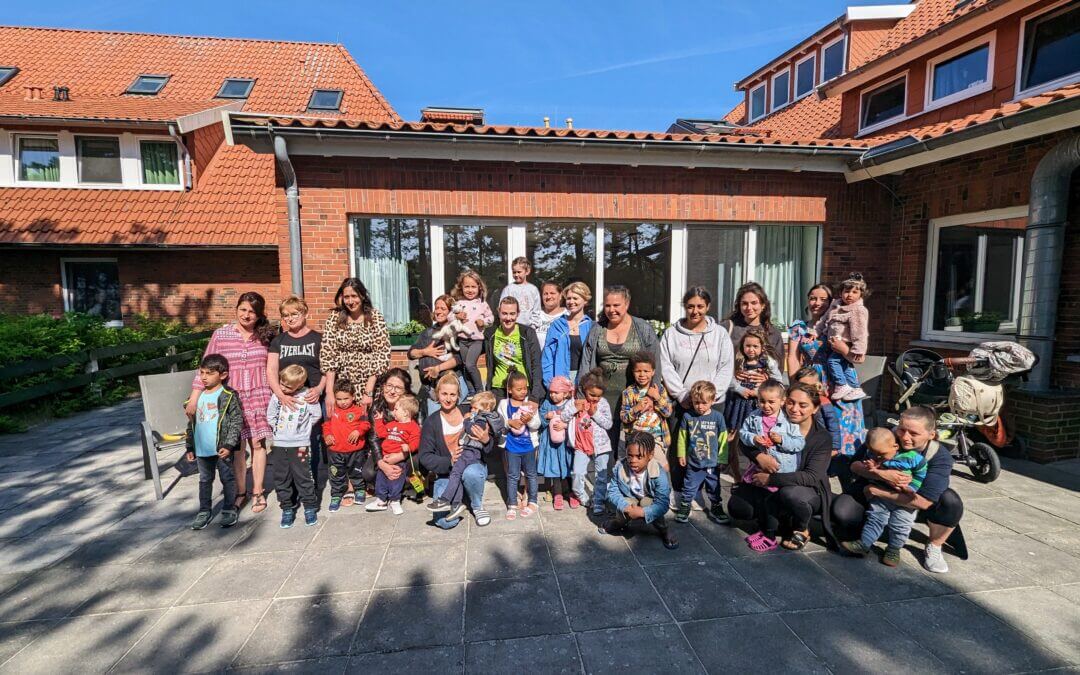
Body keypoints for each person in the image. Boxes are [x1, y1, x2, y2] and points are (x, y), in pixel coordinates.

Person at [831, 406, 965, 574]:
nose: (905, 437)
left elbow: (924, 502)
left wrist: (877, 491)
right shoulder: (885, 436)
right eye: (902, 430)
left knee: (950, 502)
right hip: (877, 493)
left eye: (914, 433)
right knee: (843, 512)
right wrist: (882, 474)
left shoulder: (940, 456)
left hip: (910, 499)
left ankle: (934, 545)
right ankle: (869, 536)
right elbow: (854, 465)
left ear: (931, 435)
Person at [187, 292, 275, 514]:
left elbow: (274, 368)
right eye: (243, 309)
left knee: (258, 445)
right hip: (230, 400)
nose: (246, 315)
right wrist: (195, 397)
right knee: (237, 448)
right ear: (236, 309)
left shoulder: (266, 336)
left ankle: (258, 491)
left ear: (259, 315)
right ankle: (241, 492)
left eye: (252, 312)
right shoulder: (222, 335)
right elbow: (205, 367)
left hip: (259, 396)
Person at [727, 382, 836, 553]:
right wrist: (759, 457)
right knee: (739, 507)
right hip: (771, 476)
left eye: (803, 405)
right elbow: (744, 441)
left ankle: (800, 527)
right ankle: (774, 522)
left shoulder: (821, 437)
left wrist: (771, 479)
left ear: (815, 408)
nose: (794, 409)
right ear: (785, 401)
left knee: (788, 494)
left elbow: (811, 477)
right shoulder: (775, 417)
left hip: (804, 489)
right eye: (791, 402)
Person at [787, 283, 866, 460]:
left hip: (841, 381)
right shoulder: (799, 327)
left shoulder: (842, 324)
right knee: (816, 423)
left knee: (845, 425)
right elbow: (792, 357)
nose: (817, 303)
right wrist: (795, 387)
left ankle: (847, 466)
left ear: (831, 302)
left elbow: (859, 358)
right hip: (811, 381)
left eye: (823, 299)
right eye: (813, 298)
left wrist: (843, 349)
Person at [578, 285, 661, 449]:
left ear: (627, 304)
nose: (611, 310)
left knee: (634, 449)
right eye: (607, 305)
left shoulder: (643, 329)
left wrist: (652, 396)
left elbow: (655, 364)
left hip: (635, 400)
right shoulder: (597, 329)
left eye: (616, 305)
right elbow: (585, 364)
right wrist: (582, 395)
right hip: (603, 400)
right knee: (604, 450)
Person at [267, 296, 327, 506]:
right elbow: (271, 370)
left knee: (311, 445)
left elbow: (328, 369)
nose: (290, 318)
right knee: (287, 450)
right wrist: (280, 395)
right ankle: (290, 493)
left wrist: (319, 389)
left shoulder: (318, 339)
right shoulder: (279, 341)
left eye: (294, 314)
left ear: (305, 313)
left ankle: (311, 490)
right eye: (285, 315)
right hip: (286, 401)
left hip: (310, 400)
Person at [840, 428, 928, 566]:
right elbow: (862, 466)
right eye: (873, 453)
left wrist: (912, 488)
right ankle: (864, 543)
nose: (877, 457)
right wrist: (872, 468)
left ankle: (894, 549)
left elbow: (920, 472)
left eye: (881, 454)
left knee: (901, 524)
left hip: (904, 499)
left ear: (895, 446)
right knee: (875, 518)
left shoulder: (912, 458)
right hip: (881, 494)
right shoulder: (874, 454)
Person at [418, 373, 495, 528]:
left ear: (458, 395)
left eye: (452, 394)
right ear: (437, 394)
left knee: (471, 473)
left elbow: (491, 442)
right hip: (447, 474)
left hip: (471, 465)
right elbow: (425, 456)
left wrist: (486, 439)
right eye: (444, 394)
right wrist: (449, 461)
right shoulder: (431, 422)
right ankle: (459, 497)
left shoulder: (470, 411)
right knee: (445, 522)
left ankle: (476, 505)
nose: (448, 399)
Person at [425, 391, 503, 520]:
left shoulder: (481, 419)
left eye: (475, 408)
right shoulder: (433, 420)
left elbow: (473, 431)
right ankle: (456, 504)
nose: (472, 410)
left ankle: (452, 501)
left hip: (470, 452)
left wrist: (467, 420)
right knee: (456, 474)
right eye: (471, 407)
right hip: (462, 455)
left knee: (457, 472)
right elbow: (425, 456)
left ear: (486, 408)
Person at [185, 354, 241, 530]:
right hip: (202, 449)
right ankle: (204, 511)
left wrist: (229, 445)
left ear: (223, 375)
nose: (204, 377)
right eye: (202, 372)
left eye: (209, 373)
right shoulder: (196, 397)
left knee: (227, 478)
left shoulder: (228, 395)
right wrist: (190, 446)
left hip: (222, 449)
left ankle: (229, 509)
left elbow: (236, 421)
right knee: (204, 480)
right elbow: (191, 423)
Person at [660, 286, 735, 415]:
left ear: (708, 306)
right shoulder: (671, 334)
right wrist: (681, 395)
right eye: (690, 306)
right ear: (685, 306)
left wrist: (710, 396)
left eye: (700, 306)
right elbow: (666, 367)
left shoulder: (720, 334)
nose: (695, 311)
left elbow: (726, 367)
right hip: (682, 404)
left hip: (713, 404)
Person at [321, 277, 391, 406]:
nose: (350, 301)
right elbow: (328, 355)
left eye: (354, 296)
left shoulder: (375, 318)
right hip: (343, 386)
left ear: (362, 296)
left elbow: (381, 355)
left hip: (370, 384)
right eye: (346, 297)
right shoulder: (335, 318)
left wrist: (368, 392)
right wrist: (329, 392)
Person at [602, 432, 678, 550]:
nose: (633, 460)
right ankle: (619, 522)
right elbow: (612, 491)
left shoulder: (658, 472)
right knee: (622, 504)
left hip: (649, 499)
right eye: (629, 455)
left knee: (648, 504)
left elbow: (663, 503)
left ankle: (664, 529)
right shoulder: (620, 467)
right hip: (630, 498)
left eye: (639, 456)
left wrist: (643, 512)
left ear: (650, 455)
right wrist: (626, 507)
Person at [267, 364, 322, 528]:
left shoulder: (307, 396)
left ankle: (310, 507)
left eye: (288, 386)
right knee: (281, 477)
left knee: (303, 475)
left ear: (299, 385)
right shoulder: (277, 396)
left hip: (300, 445)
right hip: (279, 445)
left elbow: (316, 415)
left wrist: (302, 430)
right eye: (281, 384)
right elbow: (270, 415)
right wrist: (279, 430)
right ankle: (287, 508)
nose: (283, 388)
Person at [675, 381, 729, 525]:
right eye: (696, 402)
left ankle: (716, 507)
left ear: (713, 400)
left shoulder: (718, 417)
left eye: (704, 403)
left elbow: (723, 439)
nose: (700, 406)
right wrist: (681, 454)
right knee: (689, 486)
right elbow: (682, 437)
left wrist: (722, 458)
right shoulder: (688, 416)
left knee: (714, 487)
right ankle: (685, 506)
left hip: (712, 463)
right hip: (694, 462)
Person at [737, 379, 805, 492]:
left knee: (776, 495)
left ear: (782, 401)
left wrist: (782, 440)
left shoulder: (789, 421)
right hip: (759, 466)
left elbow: (799, 443)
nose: (766, 406)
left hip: (781, 469)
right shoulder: (753, 417)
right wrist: (753, 438)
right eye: (762, 401)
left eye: (771, 402)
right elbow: (743, 434)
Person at [409, 294, 467, 416]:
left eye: (443, 308)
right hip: (431, 388)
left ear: (451, 312)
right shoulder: (428, 332)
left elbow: (459, 358)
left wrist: (438, 368)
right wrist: (425, 352)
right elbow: (411, 353)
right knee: (433, 423)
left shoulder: (457, 331)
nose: (438, 312)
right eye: (437, 308)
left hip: (450, 388)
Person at [816, 273, 870, 401]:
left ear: (861, 295)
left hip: (846, 343)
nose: (850, 295)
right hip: (834, 343)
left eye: (854, 292)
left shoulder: (858, 310)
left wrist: (858, 349)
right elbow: (824, 320)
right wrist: (816, 331)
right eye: (846, 291)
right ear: (841, 293)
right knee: (844, 367)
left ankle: (841, 384)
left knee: (833, 362)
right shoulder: (835, 305)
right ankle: (855, 388)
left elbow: (860, 332)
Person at [723, 327, 783, 438]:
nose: (751, 349)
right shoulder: (738, 361)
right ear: (742, 346)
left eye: (755, 346)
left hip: (757, 402)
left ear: (762, 347)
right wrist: (739, 388)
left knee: (755, 428)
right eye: (748, 346)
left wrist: (760, 391)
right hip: (738, 400)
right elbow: (727, 378)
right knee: (735, 429)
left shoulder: (768, 362)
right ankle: (734, 447)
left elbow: (778, 381)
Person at [365, 367, 414, 504]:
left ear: (406, 391)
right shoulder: (376, 408)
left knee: (416, 463)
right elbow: (374, 439)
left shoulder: (413, 406)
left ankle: (409, 487)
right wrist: (382, 463)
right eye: (389, 386)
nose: (392, 391)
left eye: (398, 388)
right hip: (385, 451)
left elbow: (419, 437)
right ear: (383, 386)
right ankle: (391, 485)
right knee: (368, 473)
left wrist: (400, 456)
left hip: (407, 451)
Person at [366, 394, 421, 515]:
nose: (393, 412)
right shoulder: (392, 424)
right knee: (381, 479)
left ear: (406, 413)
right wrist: (379, 420)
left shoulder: (413, 427)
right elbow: (381, 433)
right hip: (385, 457)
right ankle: (381, 500)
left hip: (399, 460)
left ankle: (395, 500)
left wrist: (409, 447)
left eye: (396, 409)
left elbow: (416, 441)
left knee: (396, 479)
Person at [322, 378, 371, 511]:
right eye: (339, 399)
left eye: (346, 398)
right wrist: (327, 435)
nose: (343, 402)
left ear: (353, 397)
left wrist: (358, 431)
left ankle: (359, 489)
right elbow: (326, 425)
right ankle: (336, 494)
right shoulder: (331, 410)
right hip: (335, 450)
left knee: (356, 471)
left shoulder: (359, 410)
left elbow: (366, 424)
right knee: (336, 474)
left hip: (355, 450)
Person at [570, 368, 614, 516]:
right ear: (585, 389)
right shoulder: (578, 403)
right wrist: (573, 409)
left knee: (601, 475)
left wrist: (595, 414)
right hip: (582, 445)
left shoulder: (604, 404)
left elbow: (608, 424)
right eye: (592, 395)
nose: (595, 398)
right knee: (577, 472)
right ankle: (583, 497)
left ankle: (599, 501)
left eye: (598, 396)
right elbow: (565, 416)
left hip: (601, 446)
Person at [483, 296, 544, 402]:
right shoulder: (490, 333)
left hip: (522, 389)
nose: (508, 318)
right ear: (499, 312)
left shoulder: (527, 333)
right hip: (498, 390)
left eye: (512, 314)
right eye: (504, 313)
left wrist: (535, 397)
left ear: (518, 313)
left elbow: (536, 365)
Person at [498, 371, 541, 519]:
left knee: (531, 474)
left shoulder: (530, 404)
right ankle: (512, 504)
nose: (523, 391)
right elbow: (498, 423)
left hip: (529, 447)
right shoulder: (504, 404)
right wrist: (509, 422)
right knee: (512, 476)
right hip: (511, 447)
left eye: (525, 388)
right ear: (509, 390)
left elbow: (537, 424)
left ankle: (533, 501)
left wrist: (530, 420)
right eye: (519, 389)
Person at [620, 351, 674, 469]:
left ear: (653, 372)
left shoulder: (659, 390)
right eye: (638, 371)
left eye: (646, 371)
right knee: (638, 469)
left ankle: (661, 482)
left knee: (663, 468)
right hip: (636, 439)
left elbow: (668, 412)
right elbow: (624, 417)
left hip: (656, 439)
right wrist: (636, 408)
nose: (642, 375)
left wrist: (657, 398)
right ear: (633, 372)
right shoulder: (628, 392)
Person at [449, 270, 495, 397]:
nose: (470, 290)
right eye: (467, 287)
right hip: (462, 340)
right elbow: (449, 317)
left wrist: (483, 322)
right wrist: (457, 316)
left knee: (470, 364)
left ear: (479, 287)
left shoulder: (482, 304)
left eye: (473, 287)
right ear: (461, 287)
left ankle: (479, 389)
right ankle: (471, 390)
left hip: (476, 340)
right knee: (465, 365)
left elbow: (491, 318)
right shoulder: (459, 303)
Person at [542, 281, 593, 387]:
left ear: (585, 300)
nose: (571, 302)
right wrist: (550, 383)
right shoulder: (557, 325)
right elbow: (547, 357)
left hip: (585, 381)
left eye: (575, 298)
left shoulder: (591, 326)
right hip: (560, 380)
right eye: (568, 298)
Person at [723, 282, 785, 367]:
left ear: (763, 305)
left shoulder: (772, 333)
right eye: (744, 303)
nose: (749, 308)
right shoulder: (728, 328)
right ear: (739, 306)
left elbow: (779, 365)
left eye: (754, 303)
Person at [538, 375, 576, 509]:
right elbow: (540, 419)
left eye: (556, 392)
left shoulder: (570, 404)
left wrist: (565, 425)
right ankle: (557, 494)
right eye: (551, 392)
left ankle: (572, 493)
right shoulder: (547, 404)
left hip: (566, 445)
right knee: (554, 467)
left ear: (565, 393)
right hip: (551, 445)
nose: (552, 395)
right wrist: (546, 417)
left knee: (569, 466)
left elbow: (576, 421)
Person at [500, 256, 542, 330]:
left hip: (528, 328)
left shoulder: (533, 289)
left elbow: (536, 310)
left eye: (519, 272)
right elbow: (501, 308)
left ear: (527, 271)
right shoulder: (508, 289)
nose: (516, 275)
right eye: (514, 272)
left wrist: (533, 326)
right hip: (512, 328)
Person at [536, 281, 567, 347]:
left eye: (552, 293)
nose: (549, 296)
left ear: (560, 295)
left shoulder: (567, 315)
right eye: (545, 294)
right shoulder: (536, 314)